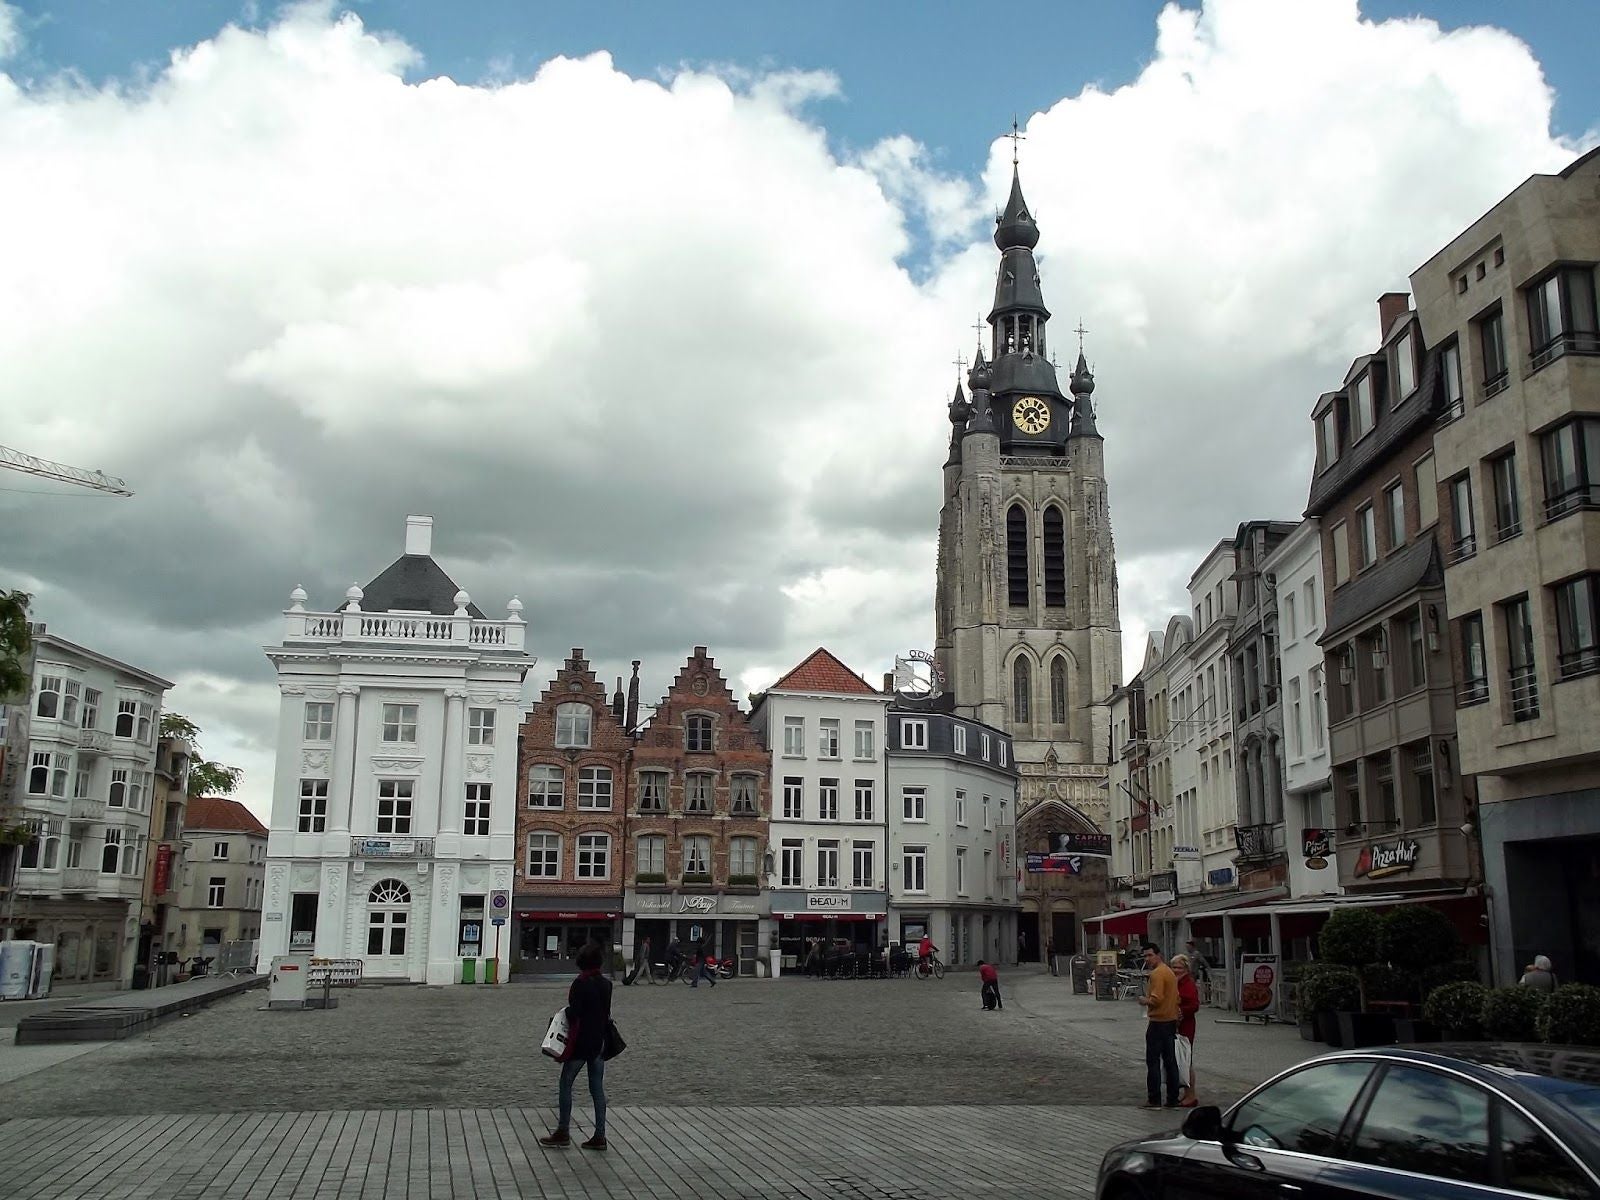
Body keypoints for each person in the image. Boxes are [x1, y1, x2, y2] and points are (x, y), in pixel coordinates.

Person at [540, 942, 612, 1151]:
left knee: (566, 1084)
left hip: (580, 1043)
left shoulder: (580, 983)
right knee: (597, 1089)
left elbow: (575, 1012)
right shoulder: (606, 984)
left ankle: (563, 1131)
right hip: (599, 1042)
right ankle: (600, 1135)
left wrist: (563, 1014)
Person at [1137, 941, 1181, 1109]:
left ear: (1158, 955)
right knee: (1170, 1062)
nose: (1147, 959)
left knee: (1153, 1062)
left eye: (1150, 955)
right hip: (1170, 1021)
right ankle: (1172, 1098)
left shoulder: (1157, 974)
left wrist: (1144, 1000)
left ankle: (1154, 1099)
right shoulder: (1169, 972)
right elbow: (1176, 997)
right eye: (1145, 956)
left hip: (1158, 1022)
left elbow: (1156, 999)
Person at [1172, 953, 1201, 1107]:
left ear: (1186, 968)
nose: (1176, 970)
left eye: (1179, 967)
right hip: (1175, 1024)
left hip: (1186, 1024)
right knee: (1180, 1059)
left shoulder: (1188, 983)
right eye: (1174, 967)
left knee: (1186, 1060)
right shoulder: (1175, 982)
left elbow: (1195, 1005)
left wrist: (1181, 1011)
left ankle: (1191, 1095)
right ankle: (1185, 1093)